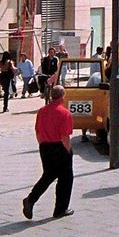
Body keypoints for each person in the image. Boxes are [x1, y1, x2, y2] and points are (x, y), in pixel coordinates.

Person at [22, 86, 74, 219]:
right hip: (59, 147)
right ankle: (60, 209)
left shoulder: (42, 111)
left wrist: (42, 145)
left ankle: (31, 199)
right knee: (65, 178)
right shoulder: (65, 113)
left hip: (45, 147)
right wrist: (68, 151)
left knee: (48, 175)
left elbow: (38, 132)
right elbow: (64, 136)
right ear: (63, 96)